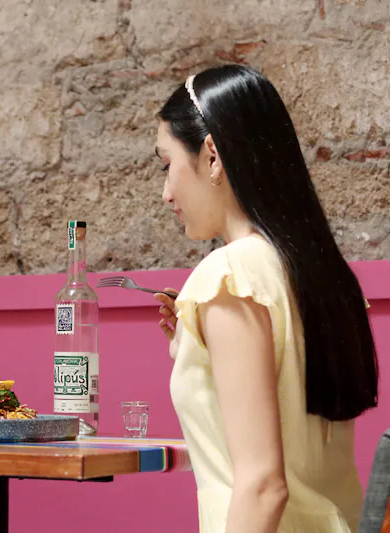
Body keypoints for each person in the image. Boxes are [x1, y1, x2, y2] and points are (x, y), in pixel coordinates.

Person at [152, 65, 378, 533]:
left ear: (211, 155)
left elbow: (263, 486)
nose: (166, 192)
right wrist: (195, 350)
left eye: (166, 165)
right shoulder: (321, 275)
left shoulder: (229, 274)